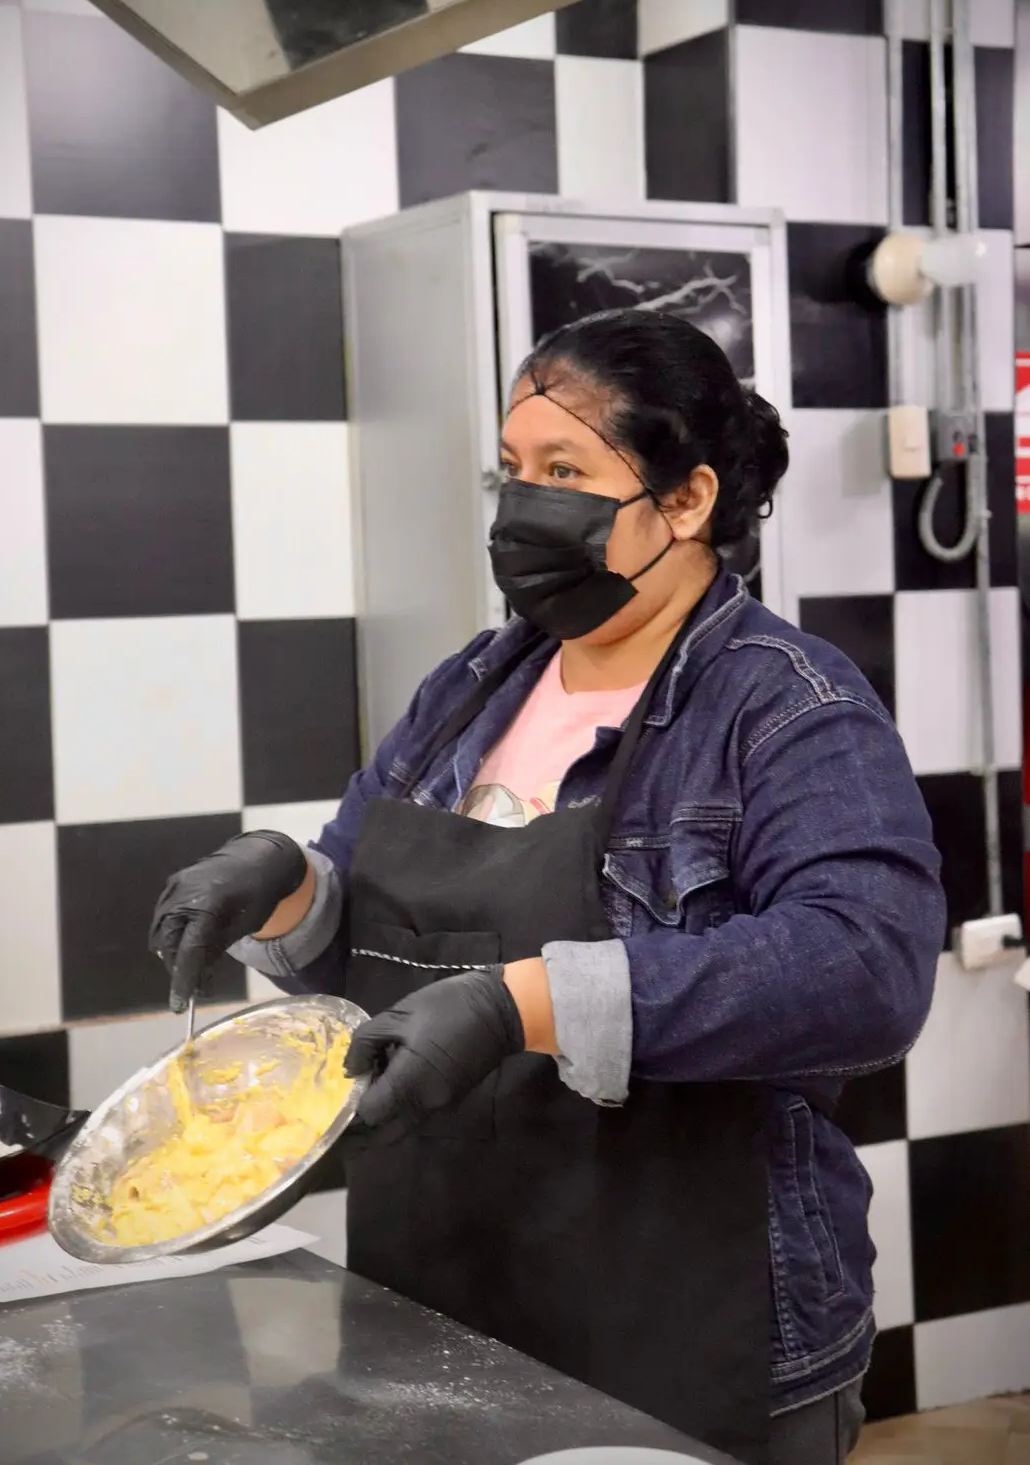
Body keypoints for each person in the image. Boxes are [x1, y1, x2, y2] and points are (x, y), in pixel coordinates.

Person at [149, 309, 945, 1465]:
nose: (525, 505)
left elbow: (864, 970)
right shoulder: (473, 685)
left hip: (688, 1317)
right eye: (513, 470)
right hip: (442, 1293)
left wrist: (520, 1003)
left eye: (565, 471)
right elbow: (364, 954)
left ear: (687, 499)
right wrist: (284, 889)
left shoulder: (785, 704)